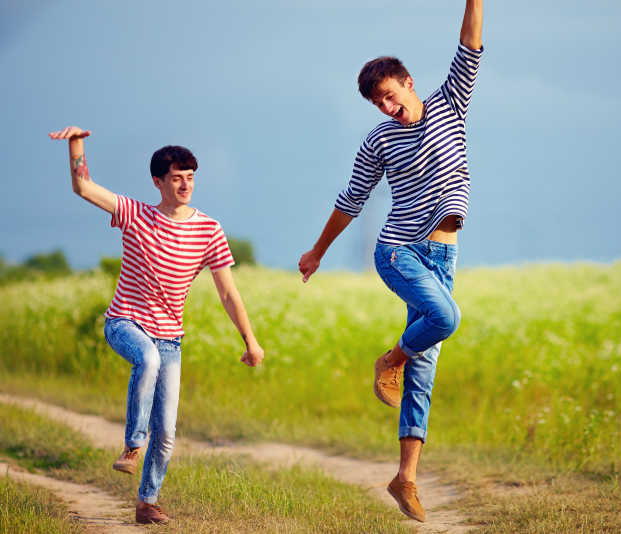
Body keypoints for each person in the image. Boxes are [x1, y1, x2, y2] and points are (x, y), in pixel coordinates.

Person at [298, 0, 483, 522]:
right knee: (445, 320)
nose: (385, 108)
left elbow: (470, 45)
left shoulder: (451, 104)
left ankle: (406, 478)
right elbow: (350, 201)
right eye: (376, 103)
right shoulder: (378, 140)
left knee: (424, 370)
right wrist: (317, 251)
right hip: (398, 251)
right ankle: (388, 361)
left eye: (388, 95)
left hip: (443, 257)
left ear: (407, 82)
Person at [49, 126, 265, 525]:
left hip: (171, 339)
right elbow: (83, 186)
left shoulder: (208, 230)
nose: (185, 185)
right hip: (124, 322)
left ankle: (147, 502)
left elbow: (228, 294)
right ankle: (132, 446)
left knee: (166, 433)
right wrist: (76, 143)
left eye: (190, 177)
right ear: (158, 182)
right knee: (145, 360)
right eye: (176, 178)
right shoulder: (135, 214)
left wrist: (250, 340)